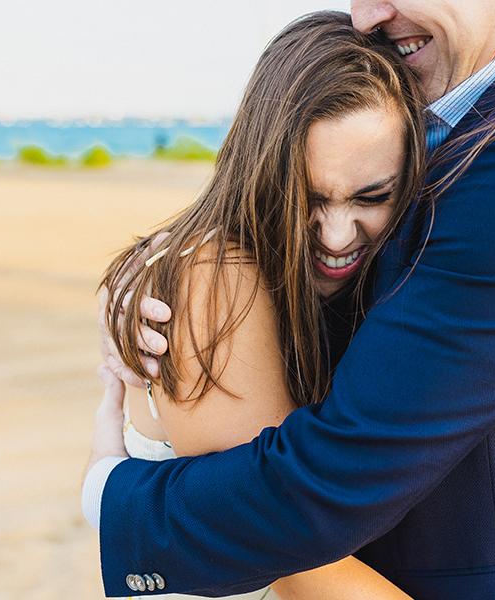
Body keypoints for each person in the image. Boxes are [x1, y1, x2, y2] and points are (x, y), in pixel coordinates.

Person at [84, 0, 495, 598]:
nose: (366, 15)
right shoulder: (442, 117)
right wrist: (180, 270)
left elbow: (336, 478)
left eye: (372, 196)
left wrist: (112, 496)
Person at [97, 12, 426, 600]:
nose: (337, 235)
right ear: (261, 172)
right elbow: (290, 549)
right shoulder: (215, 282)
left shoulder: (349, 280)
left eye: (373, 196)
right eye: (309, 198)